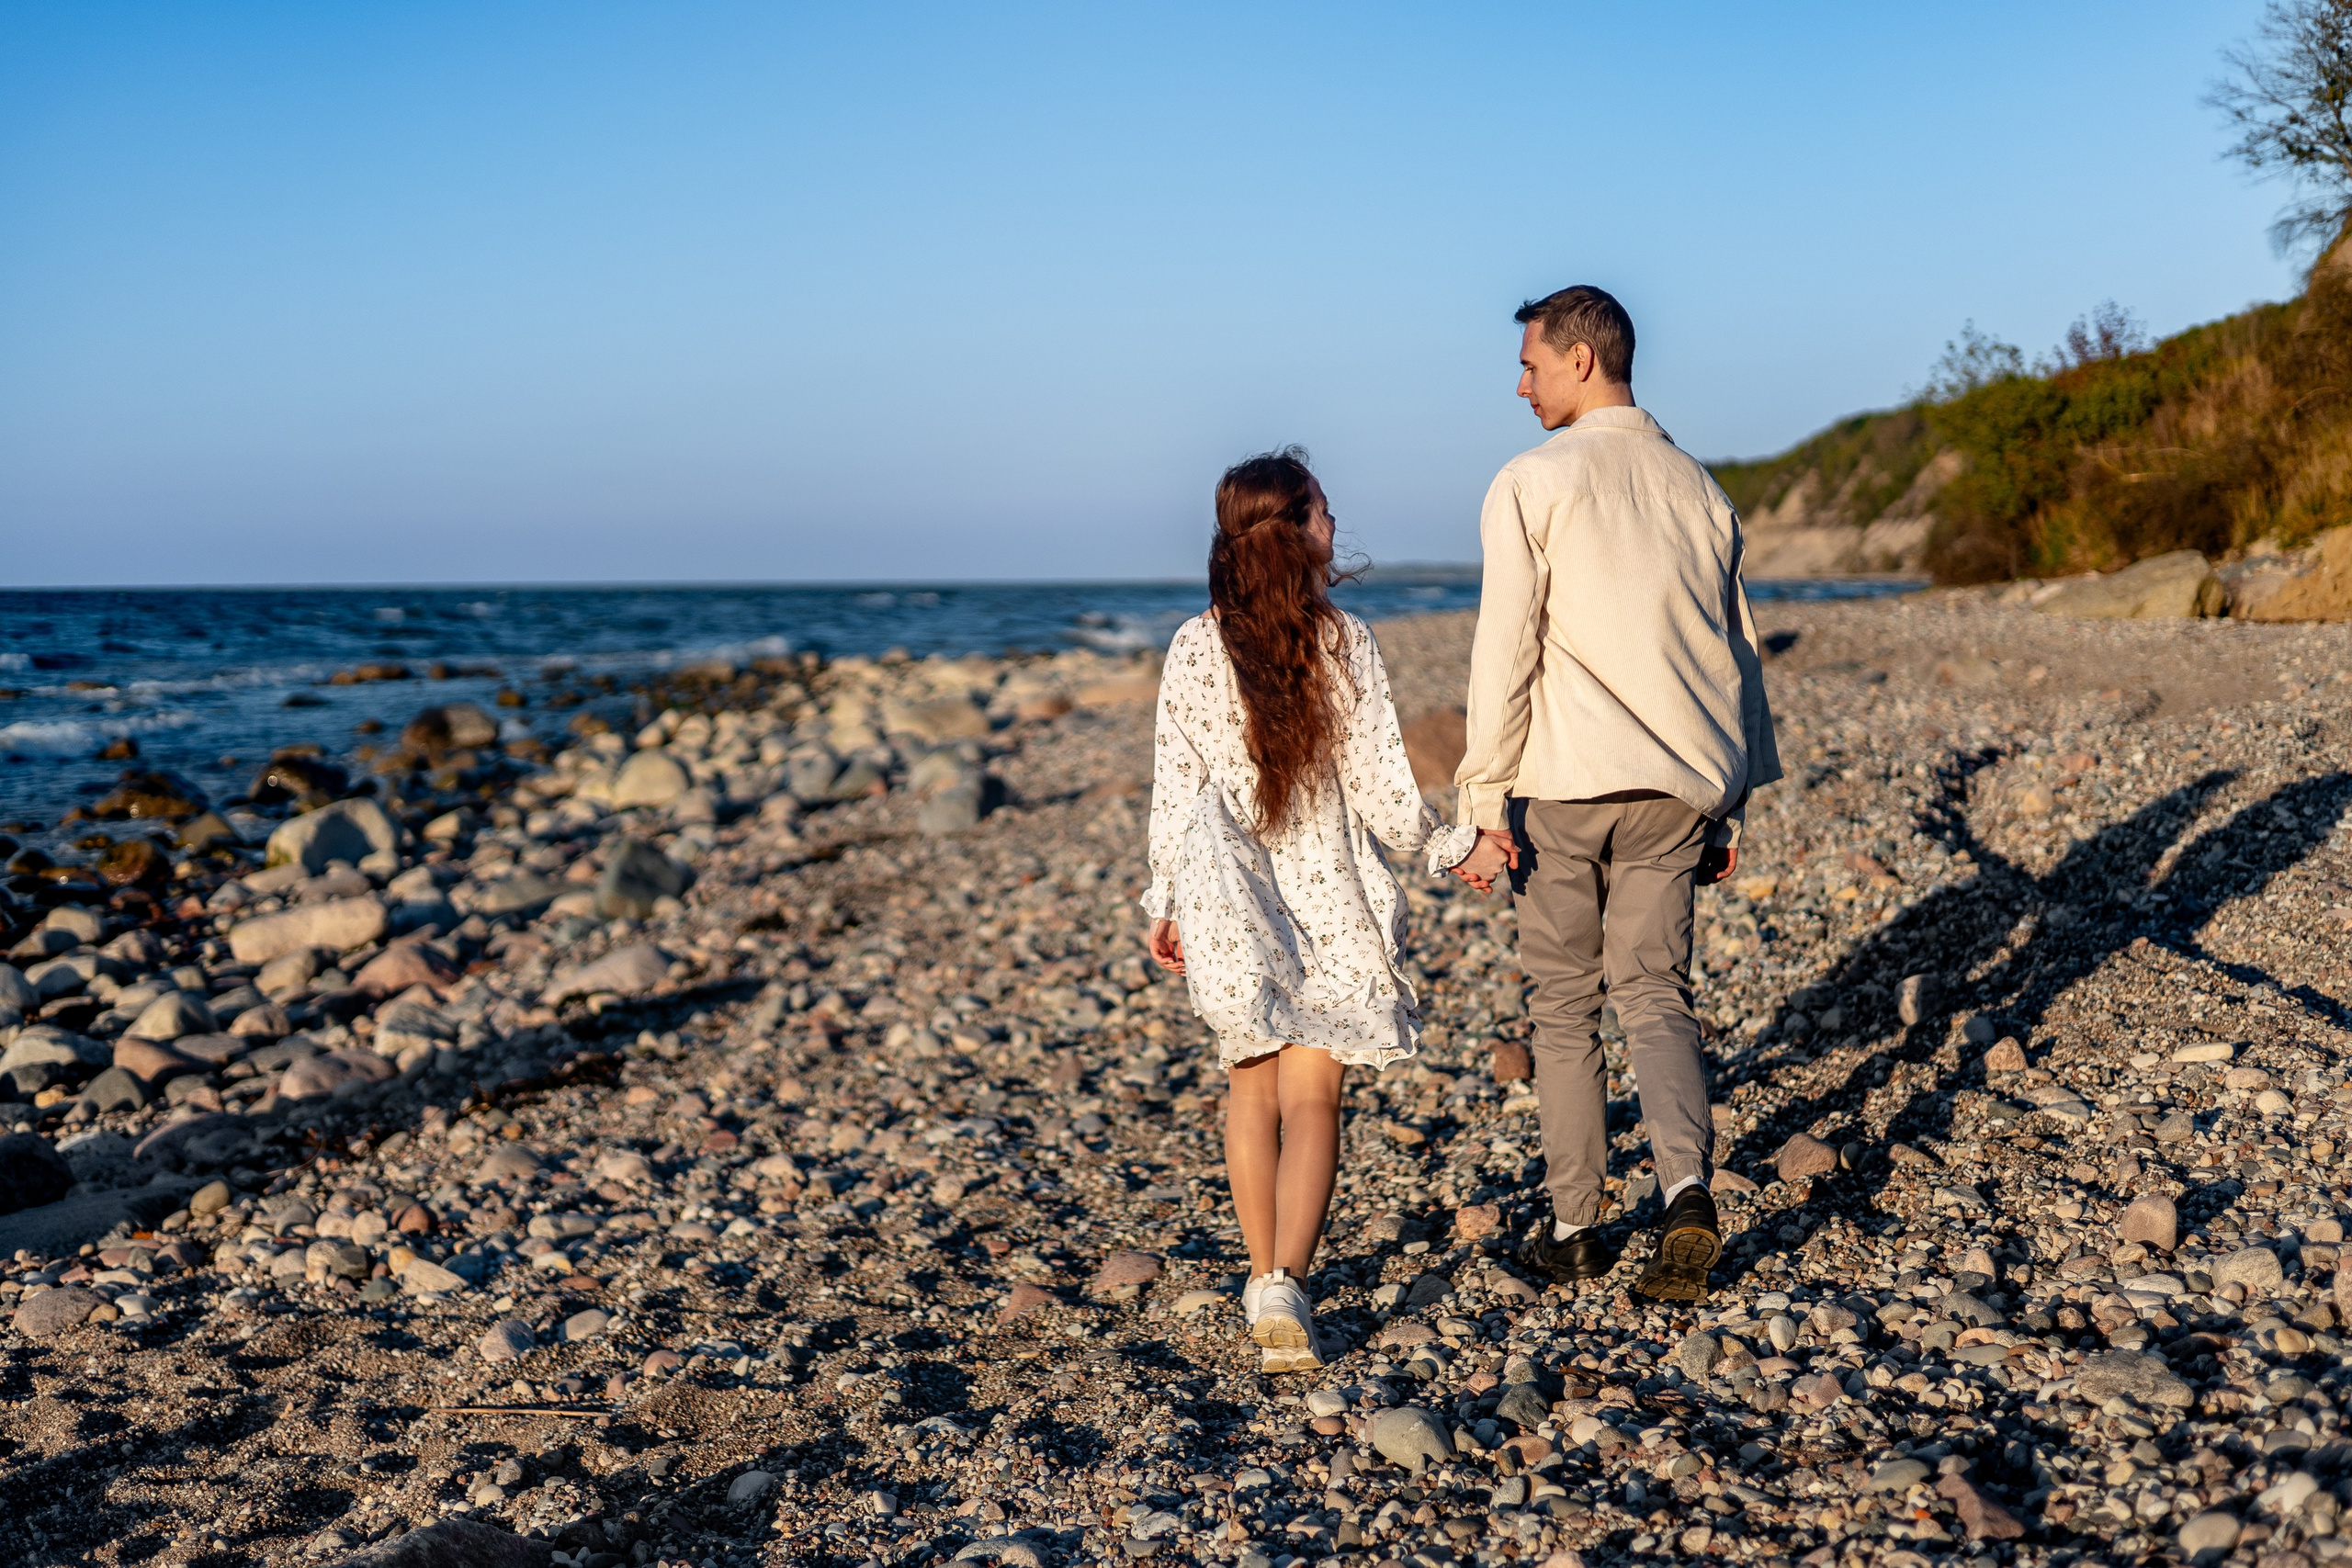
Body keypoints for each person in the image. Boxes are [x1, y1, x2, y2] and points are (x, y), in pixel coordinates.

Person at [1447, 286, 1781, 1303]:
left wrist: (1479, 803)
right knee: (1654, 993)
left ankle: (1575, 1228)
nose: (1519, 384)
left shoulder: (1532, 480)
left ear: (1581, 361)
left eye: (1531, 364)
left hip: (1566, 783)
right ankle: (1684, 1189)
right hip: (1678, 788)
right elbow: (1738, 654)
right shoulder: (1699, 488)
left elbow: (1504, 648)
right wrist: (1734, 797)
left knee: (1562, 1007)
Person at [1142, 448, 1476, 1371]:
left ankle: (1261, 1279)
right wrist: (1451, 845)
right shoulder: (1344, 641)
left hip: (1226, 884)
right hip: (1323, 883)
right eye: (1323, 511)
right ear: (1294, 534)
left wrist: (1164, 897)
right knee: (1313, 1092)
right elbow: (1382, 790)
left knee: (1250, 1085)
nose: (1336, 524)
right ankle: (1288, 1276)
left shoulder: (1191, 644)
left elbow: (1177, 786)